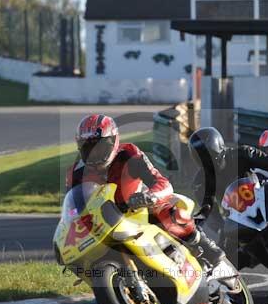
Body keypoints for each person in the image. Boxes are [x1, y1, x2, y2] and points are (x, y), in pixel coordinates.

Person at [66, 114, 225, 267]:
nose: (95, 154)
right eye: (88, 148)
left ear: (113, 141)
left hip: (139, 209)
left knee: (170, 214)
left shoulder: (129, 154)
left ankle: (205, 245)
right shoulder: (75, 173)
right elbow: (72, 210)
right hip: (104, 222)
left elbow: (162, 183)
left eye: (99, 147)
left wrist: (150, 196)